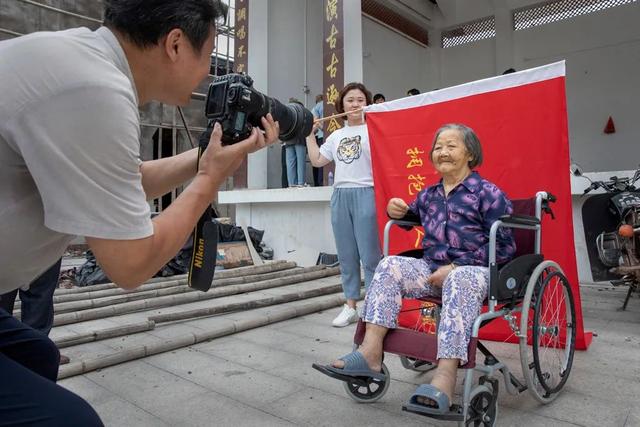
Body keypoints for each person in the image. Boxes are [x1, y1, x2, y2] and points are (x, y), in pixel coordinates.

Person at [0, 0, 279, 424]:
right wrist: (208, 183)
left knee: (36, 354)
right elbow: (129, 265)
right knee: (72, 421)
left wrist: (204, 159)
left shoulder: (81, 59)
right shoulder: (95, 90)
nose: (207, 73)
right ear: (175, 44)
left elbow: (122, 179)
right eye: (208, 57)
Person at [317, 124, 516, 413]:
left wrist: (456, 265)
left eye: (451, 146)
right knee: (388, 266)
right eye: (438, 147)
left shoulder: (488, 193)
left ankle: (445, 376)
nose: (443, 152)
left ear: (470, 153)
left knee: (460, 278)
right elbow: (409, 214)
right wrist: (395, 210)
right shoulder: (430, 195)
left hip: (476, 272)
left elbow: (505, 246)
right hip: (432, 268)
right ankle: (371, 352)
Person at [306, 82, 382, 327]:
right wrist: (309, 134)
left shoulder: (376, 132)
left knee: (370, 256)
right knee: (347, 254)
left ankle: (372, 308)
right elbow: (317, 160)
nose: (355, 104)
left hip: (367, 193)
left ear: (367, 104)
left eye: (360, 99)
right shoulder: (336, 135)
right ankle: (351, 306)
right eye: (350, 100)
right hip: (341, 195)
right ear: (342, 105)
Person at [284, 98, 308, 187]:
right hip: (300, 139)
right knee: (300, 161)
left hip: (288, 139)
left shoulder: (286, 113)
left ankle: (291, 183)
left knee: (290, 163)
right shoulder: (301, 111)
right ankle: (301, 183)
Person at [310, 94, 324, 186]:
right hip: (330, 134)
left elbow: (314, 121)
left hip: (321, 136)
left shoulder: (317, 107)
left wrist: (321, 127)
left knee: (318, 159)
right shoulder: (330, 105)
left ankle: (318, 182)